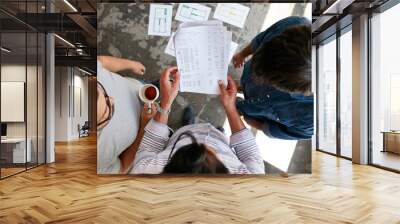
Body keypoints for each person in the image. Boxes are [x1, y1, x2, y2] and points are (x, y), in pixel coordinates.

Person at [131, 66, 265, 174]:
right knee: (218, 135)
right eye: (210, 152)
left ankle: (188, 127)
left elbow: (150, 147)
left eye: (191, 146)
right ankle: (218, 132)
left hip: (180, 136)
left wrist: (166, 102)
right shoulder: (251, 182)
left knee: (187, 131)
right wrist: (230, 107)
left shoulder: (144, 173)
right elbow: (249, 153)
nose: (204, 144)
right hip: (221, 141)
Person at [231, 16, 313, 140]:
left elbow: (276, 130)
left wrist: (250, 121)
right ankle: (243, 88)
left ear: (292, 89)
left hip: (253, 112)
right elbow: (260, 40)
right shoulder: (295, 24)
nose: (257, 76)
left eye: (266, 78)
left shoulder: (311, 120)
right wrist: (242, 55)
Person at [97, 56, 156, 174]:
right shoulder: (98, 159)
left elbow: (100, 62)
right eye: (108, 110)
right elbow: (122, 168)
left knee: (155, 87)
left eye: (102, 92)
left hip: (139, 87)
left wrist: (131, 64)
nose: (113, 99)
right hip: (148, 126)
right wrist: (145, 125)